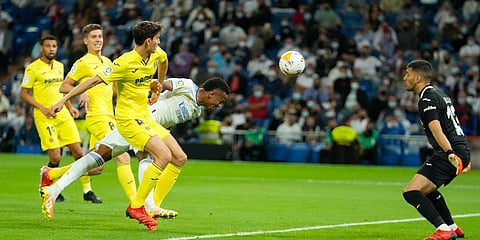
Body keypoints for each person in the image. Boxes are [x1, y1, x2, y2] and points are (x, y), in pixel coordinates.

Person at [45, 31, 229, 228]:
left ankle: (52, 178)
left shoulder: (195, 109)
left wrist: (156, 84)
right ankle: (147, 205)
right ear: (211, 94)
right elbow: (163, 84)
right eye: (221, 100)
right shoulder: (186, 85)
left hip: (143, 123)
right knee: (175, 156)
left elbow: (163, 61)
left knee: (99, 161)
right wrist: (157, 88)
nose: (220, 105)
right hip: (139, 121)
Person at [20, 35, 98, 203]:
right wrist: (41, 107)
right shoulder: (32, 68)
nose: (51, 49)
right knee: (55, 157)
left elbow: (63, 90)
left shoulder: (60, 66)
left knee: (78, 152)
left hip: (63, 114)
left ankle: (87, 191)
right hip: (44, 117)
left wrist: (70, 108)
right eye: (48, 46)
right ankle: (50, 186)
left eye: (54, 46)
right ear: (41, 48)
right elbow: (24, 94)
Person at [402, 59, 472, 240]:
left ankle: (442, 230)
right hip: (459, 148)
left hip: (448, 151)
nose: (404, 78)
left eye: (407, 74)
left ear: (417, 78)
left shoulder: (427, 99)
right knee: (428, 190)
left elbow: (437, 129)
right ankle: (452, 227)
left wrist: (450, 153)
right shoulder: (440, 94)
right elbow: (453, 126)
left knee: (410, 192)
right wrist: (464, 154)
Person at [57, 23, 117, 204]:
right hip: (97, 117)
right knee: (121, 155)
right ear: (85, 41)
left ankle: (53, 174)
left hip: (109, 115)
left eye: (100, 36)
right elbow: (64, 86)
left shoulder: (108, 62)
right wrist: (81, 91)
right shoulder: (81, 63)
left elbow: (113, 91)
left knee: (97, 167)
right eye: (94, 37)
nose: (98, 40)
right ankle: (139, 206)